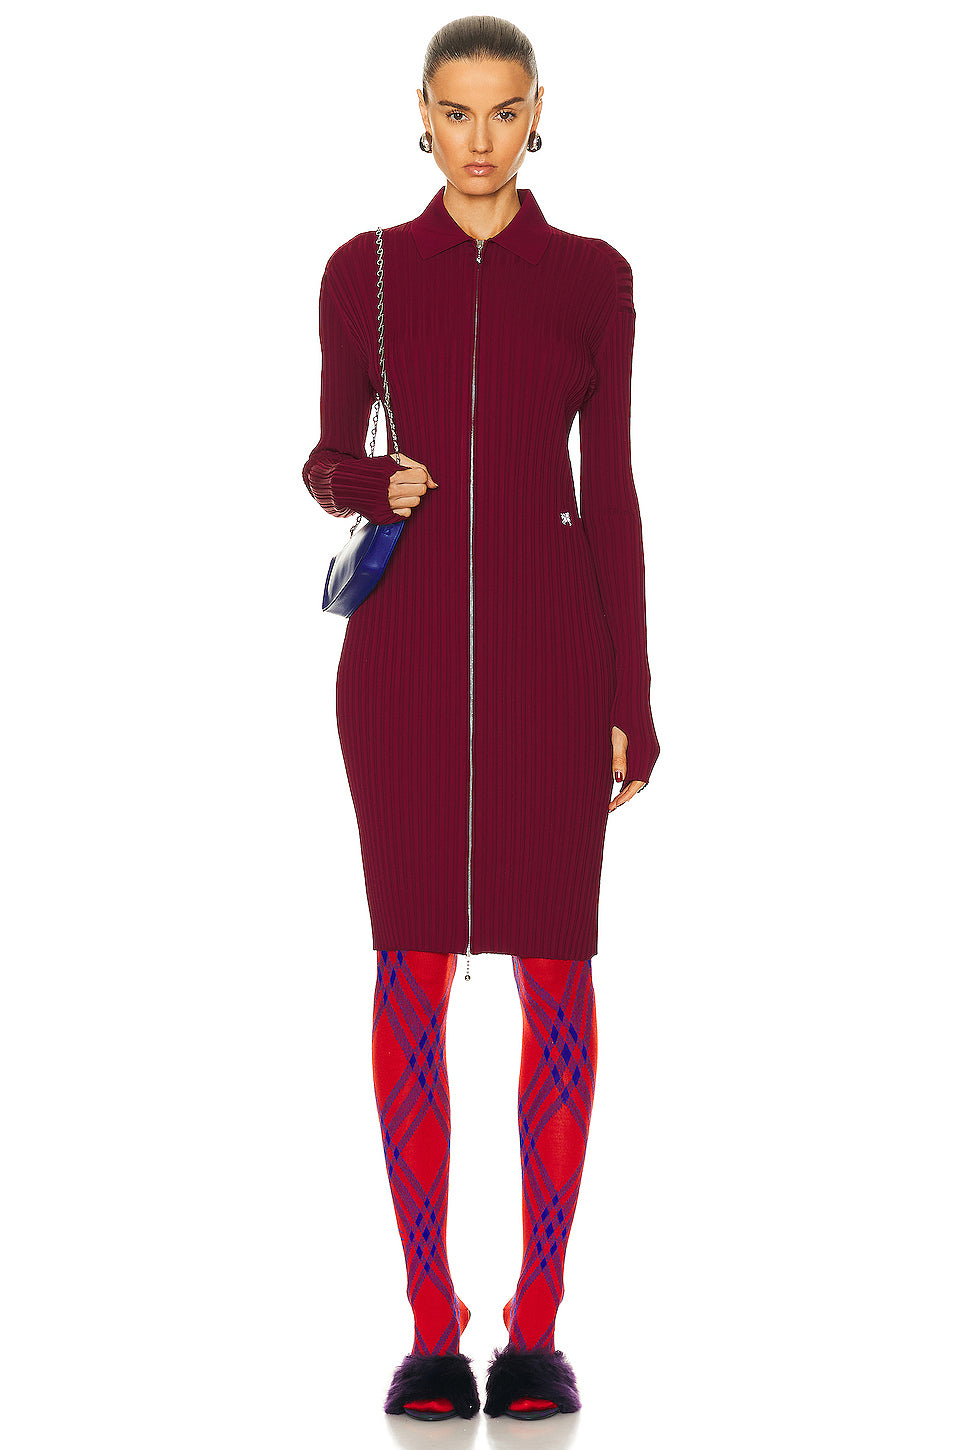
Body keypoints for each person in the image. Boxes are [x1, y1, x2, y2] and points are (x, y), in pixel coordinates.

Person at [302, 16, 660, 1423]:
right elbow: (324, 455)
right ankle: (430, 1323)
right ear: (422, 114)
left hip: (552, 662)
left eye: (503, 113)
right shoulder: (366, 272)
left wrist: (632, 690)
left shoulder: (593, 280)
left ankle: (540, 1323)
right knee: (411, 972)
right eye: (455, 113)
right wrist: (367, 479)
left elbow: (610, 486)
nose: (479, 140)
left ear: (537, 113)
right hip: (399, 669)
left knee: (556, 975)